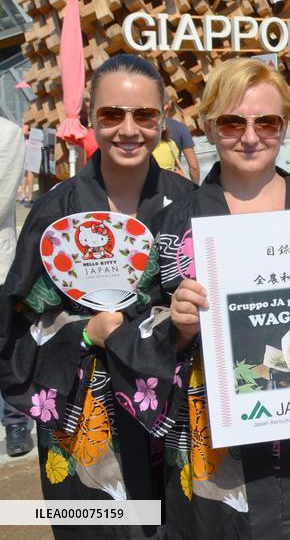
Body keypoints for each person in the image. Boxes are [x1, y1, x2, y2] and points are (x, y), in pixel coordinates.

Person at [104, 58, 290, 539]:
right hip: (219, 455)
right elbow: (130, 330)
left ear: (285, 126)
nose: (249, 137)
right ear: (207, 127)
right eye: (231, 122)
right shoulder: (173, 226)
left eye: (267, 123)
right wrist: (176, 329)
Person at [0, 54, 195, 537]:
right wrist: (84, 332)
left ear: (164, 116)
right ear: (90, 115)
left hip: (173, 411)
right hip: (84, 412)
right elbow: (16, 324)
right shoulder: (56, 212)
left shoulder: (191, 204)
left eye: (144, 115)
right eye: (111, 114)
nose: (128, 130)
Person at [0, 117, 33, 457]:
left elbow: (1, 199)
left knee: (7, 345)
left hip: (0, 263)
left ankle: (15, 420)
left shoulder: (6, 134)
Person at [164, 101, 200, 183]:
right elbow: (193, 166)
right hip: (174, 182)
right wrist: (195, 186)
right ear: (168, 106)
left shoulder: (144, 128)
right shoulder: (180, 127)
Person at [18, 121, 35, 205]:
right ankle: (30, 195)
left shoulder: (24, 119)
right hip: (30, 146)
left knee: (24, 172)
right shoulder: (29, 120)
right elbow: (24, 131)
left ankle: (22, 194)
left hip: (24, 146)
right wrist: (35, 134)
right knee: (30, 171)